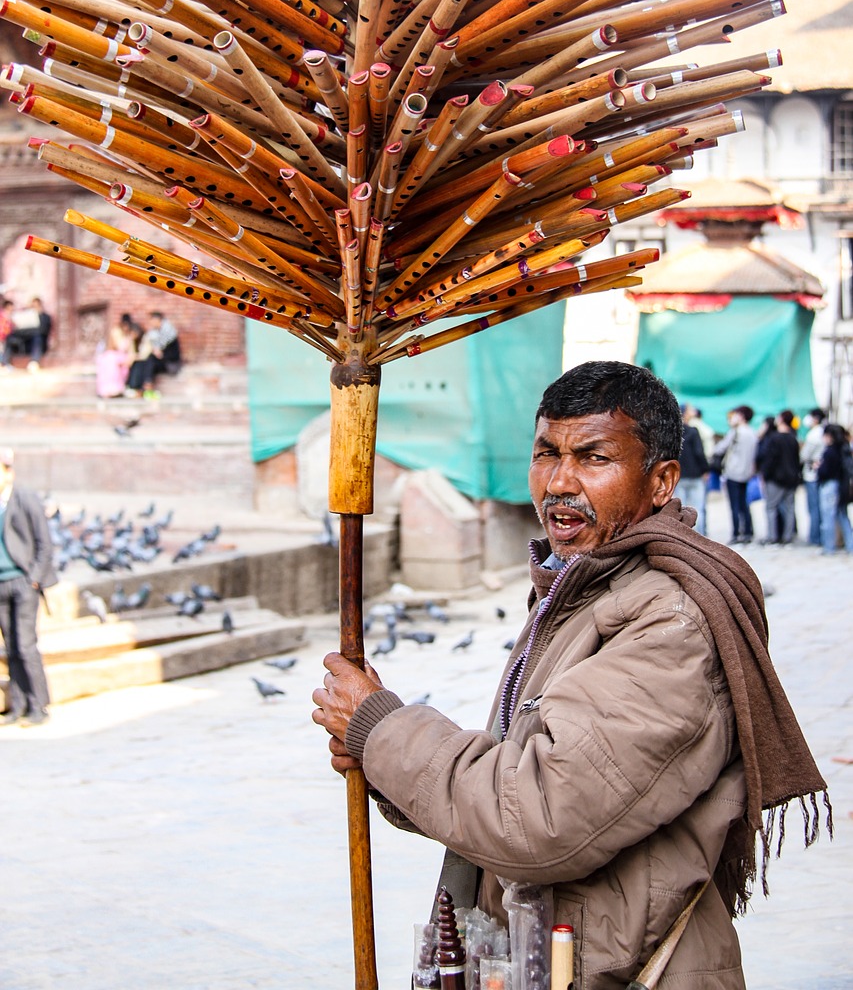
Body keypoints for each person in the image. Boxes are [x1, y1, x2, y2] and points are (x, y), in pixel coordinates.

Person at [312, 362, 828, 990]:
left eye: (593, 457)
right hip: (551, 956)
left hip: (623, 969)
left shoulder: (671, 624)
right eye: (546, 453)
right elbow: (515, 769)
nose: (559, 481)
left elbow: (536, 818)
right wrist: (385, 760)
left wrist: (382, 729)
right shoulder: (578, 589)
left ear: (661, 481)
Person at [0, 448, 56, 725]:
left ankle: (39, 704)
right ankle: (18, 705)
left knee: (25, 644)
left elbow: (44, 543)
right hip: (1, 582)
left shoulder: (24, 498)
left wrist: (34, 577)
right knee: (10, 646)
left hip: (23, 581)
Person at [713, 406, 758, 545]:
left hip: (733, 472)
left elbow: (719, 448)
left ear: (741, 416)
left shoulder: (735, 432)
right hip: (746, 473)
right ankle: (749, 532)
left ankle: (737, 533)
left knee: (734, 505)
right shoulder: (752, 433)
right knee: (744, 503)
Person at [756, 411, 801, 545]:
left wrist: (765, 474)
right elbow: (797, 460)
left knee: (771, 507)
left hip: (775, 478)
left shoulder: (774, 438)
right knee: (789, 508)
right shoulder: (793, 438)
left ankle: (772, 537)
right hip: (791, 478)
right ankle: (788, 536)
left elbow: (770, 459)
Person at [124, 311, 181, 398]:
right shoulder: (154, 334)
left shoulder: (169, 333)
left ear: (158, 320)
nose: (151, 323)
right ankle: (140, 387)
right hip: (160, 361)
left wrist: (161, 355)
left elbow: (173, 355)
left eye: (152, 320)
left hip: (171, 363)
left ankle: (146, 386)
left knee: (150, 360)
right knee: (143, 362)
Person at [816, 423, 853, 555]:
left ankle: (829, 547)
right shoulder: (844, 448)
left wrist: (818, 467)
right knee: (843, 516)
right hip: (842, 486)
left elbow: (825, 471)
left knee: (828, 518)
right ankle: (850, 545)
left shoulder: (830, 451)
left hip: (830, 486)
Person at [675, 404, 709, 533]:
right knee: (697, 508)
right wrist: (705, 469)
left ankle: (684, 536)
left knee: (681, 509)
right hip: (695, 475)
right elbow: (699, 453)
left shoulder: (674, 432)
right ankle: (699, 536)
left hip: (679, 475)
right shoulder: (693, 431)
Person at [0, 297, 52, 370]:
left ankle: (34, 362)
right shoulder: (26, 315)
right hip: (24, 341)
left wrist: (38, 316)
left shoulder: (45, 317)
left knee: (38, 337)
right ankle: (4, 363)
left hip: (37, 343)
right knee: (10, 337)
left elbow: (43, 331)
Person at [800, 408, 826, 547]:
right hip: (821, 474)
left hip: (812, 474)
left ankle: (815, 537)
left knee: (814, 507)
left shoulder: (813, 434)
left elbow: (804, 455)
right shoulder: (823, 431)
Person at [95, 319, 135, 399]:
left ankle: (115, 390)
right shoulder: (110, 353)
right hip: (114, 358)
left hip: (121, 359)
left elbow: (130, 354)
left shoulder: (129, 337)